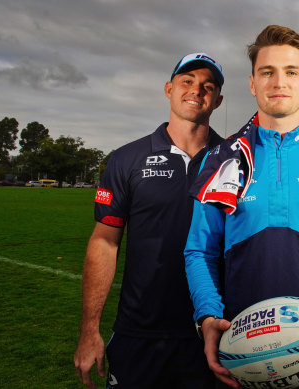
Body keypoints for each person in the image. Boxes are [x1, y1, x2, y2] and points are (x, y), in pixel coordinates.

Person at [183, 25, 299, 389]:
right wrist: (207, 317)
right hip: (241, 356)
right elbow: (199, 251)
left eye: (291, 71)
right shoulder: (221, 161)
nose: (279, 82)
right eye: (267, 72)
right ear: (253, 83)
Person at [73, 52, 225, 389]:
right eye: (187, 81)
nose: (196, 91)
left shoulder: (233, 160)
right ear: (169, 88)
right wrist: (89, 330)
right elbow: (104, 242)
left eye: (208, 86)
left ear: (218, 99)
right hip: (139, 333)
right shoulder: (128, 159)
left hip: (214, 332)